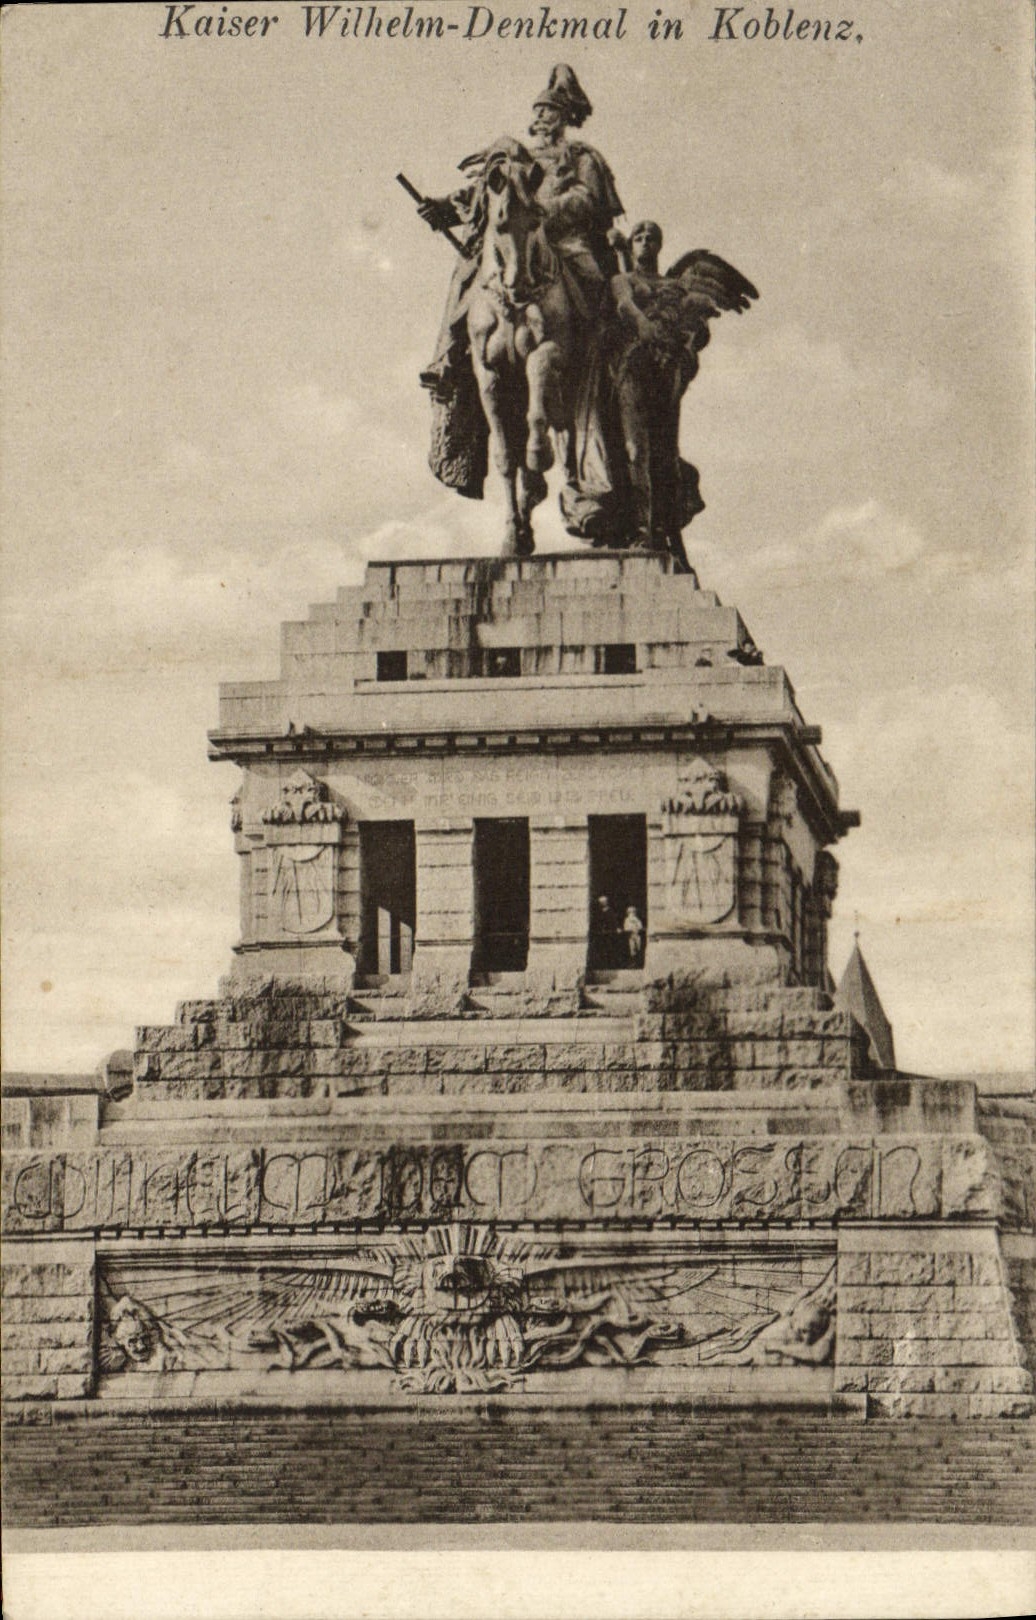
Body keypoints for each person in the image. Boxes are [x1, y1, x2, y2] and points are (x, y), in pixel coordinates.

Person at [416, 66, 625, 529]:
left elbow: (588, 201)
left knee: (595, 280)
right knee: (469, 269)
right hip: (515, 240)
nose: (541, 116)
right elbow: (479, 196)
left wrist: (540, 213)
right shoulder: (515, 159)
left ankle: (604, 353)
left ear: (565, 114)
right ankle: (448, 356)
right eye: (537, 110)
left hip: (563, 242)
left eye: (549, 109)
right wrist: (443, 207)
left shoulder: (581, 156)